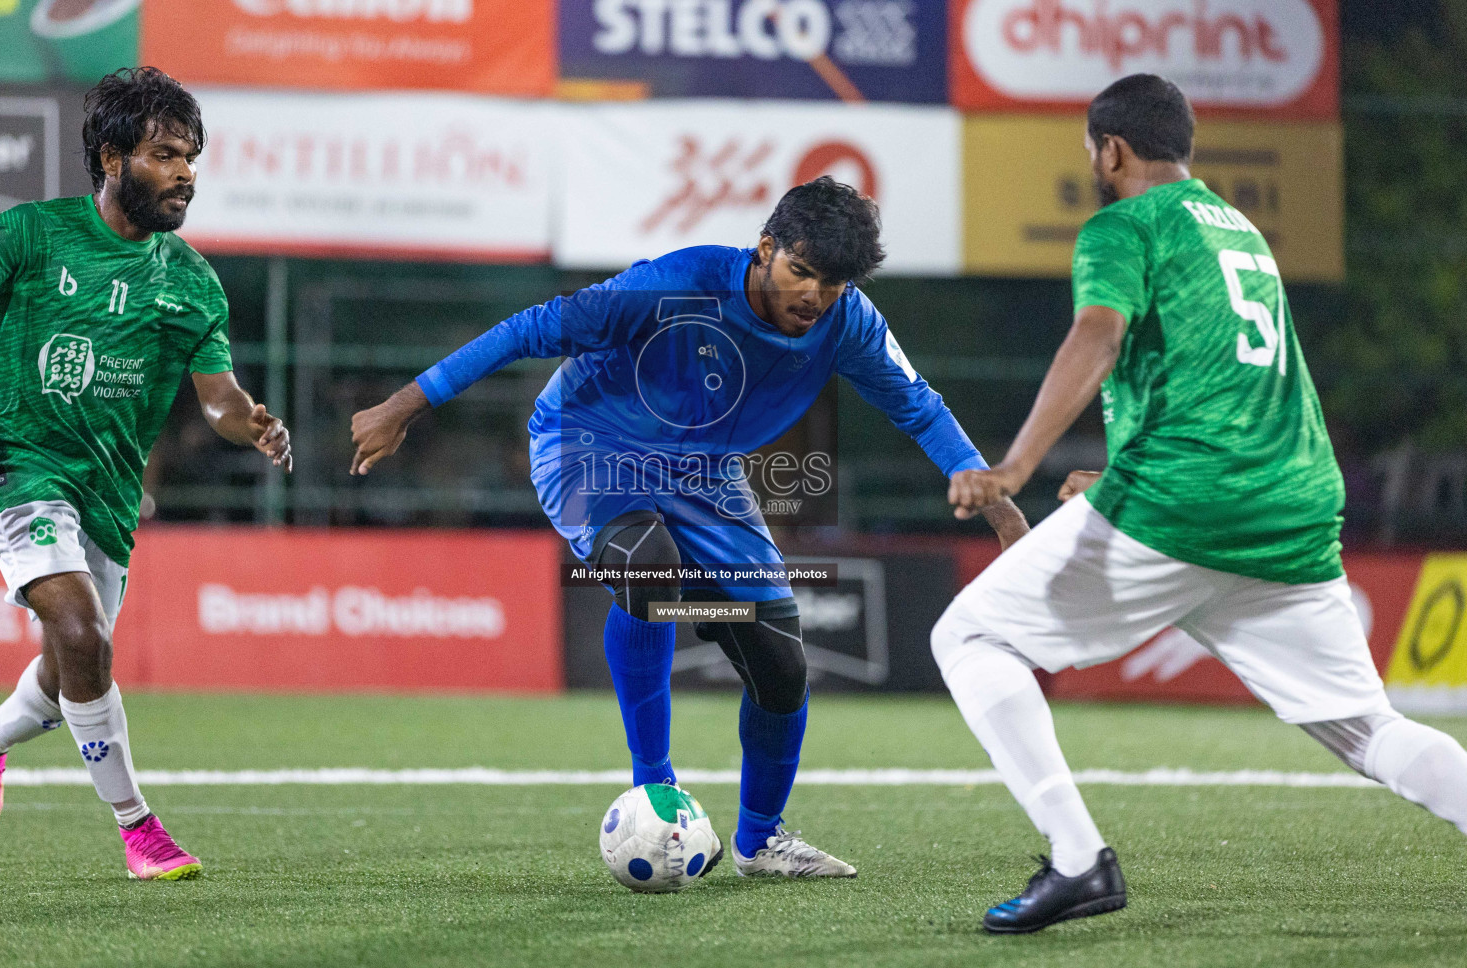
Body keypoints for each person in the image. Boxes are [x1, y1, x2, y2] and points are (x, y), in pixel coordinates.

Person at [352, 177, 1028, 878]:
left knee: (780, 661)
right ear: (765, 249)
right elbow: (531, 327)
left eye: (832, 284)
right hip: (591, 445)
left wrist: (1004, 515)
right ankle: (655, 786)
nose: (814, 297)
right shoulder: (674, 285)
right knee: (649, 571)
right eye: (801, 272)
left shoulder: (848, 321)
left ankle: (760, 841)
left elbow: (918, 406)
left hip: (707, 477)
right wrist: (405, 405)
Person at [933, 73, 1467, 933]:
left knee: (966, 634)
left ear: (1111, 150)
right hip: (1288, 511)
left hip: (1188, 507)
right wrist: (1115, 476)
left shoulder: (1124, 223)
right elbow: (1229, 381)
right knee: (1368, 729)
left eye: (1091, 150)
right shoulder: (1240, 230)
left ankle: (1080, 862)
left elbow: (1098, 333)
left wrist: (1014, 465)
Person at [0, 67, 292, 880]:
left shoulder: (191, 282)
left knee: (68, 679)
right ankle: (139, 828)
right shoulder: (29, 233)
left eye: (191, 157)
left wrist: (251, 422)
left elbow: (218, 399)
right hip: (18, 466)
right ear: (111, 157)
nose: (185, 173)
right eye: (166, 154)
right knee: (83, 632)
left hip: (109, 494)